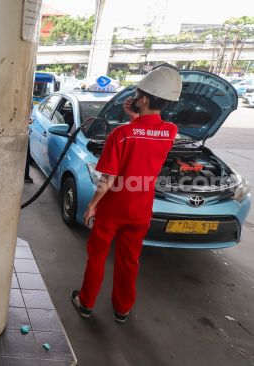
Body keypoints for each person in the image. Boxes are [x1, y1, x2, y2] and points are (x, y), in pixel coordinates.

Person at [70, 66, 181, 323]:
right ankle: (122, 309)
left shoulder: (120, 134)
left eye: (138, 93)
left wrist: (92, 206)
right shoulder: (170, 132)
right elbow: (147, 134)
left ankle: (86, 302)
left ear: (143, 99)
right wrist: (136, 117)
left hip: (114, 207)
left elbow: (108, 179)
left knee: (97, 255)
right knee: (129, 259)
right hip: (141, 208)